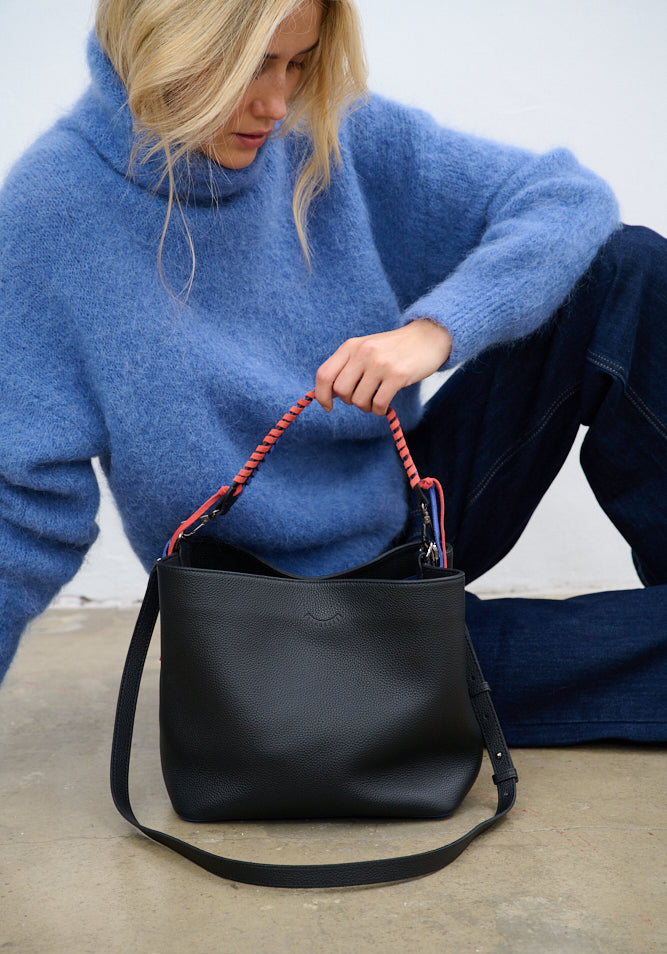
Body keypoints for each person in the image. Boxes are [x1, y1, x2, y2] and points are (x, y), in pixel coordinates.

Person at [0, 0, 664, 745]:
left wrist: (436, 330)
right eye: (250, 66)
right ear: (164, 46)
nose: (276, 103)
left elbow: (565, 197)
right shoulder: (52, 210)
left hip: (402, 516)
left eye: (298, 63)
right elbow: (20, 506)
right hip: (279, 634)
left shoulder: (323, 131)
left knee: (623, 268)